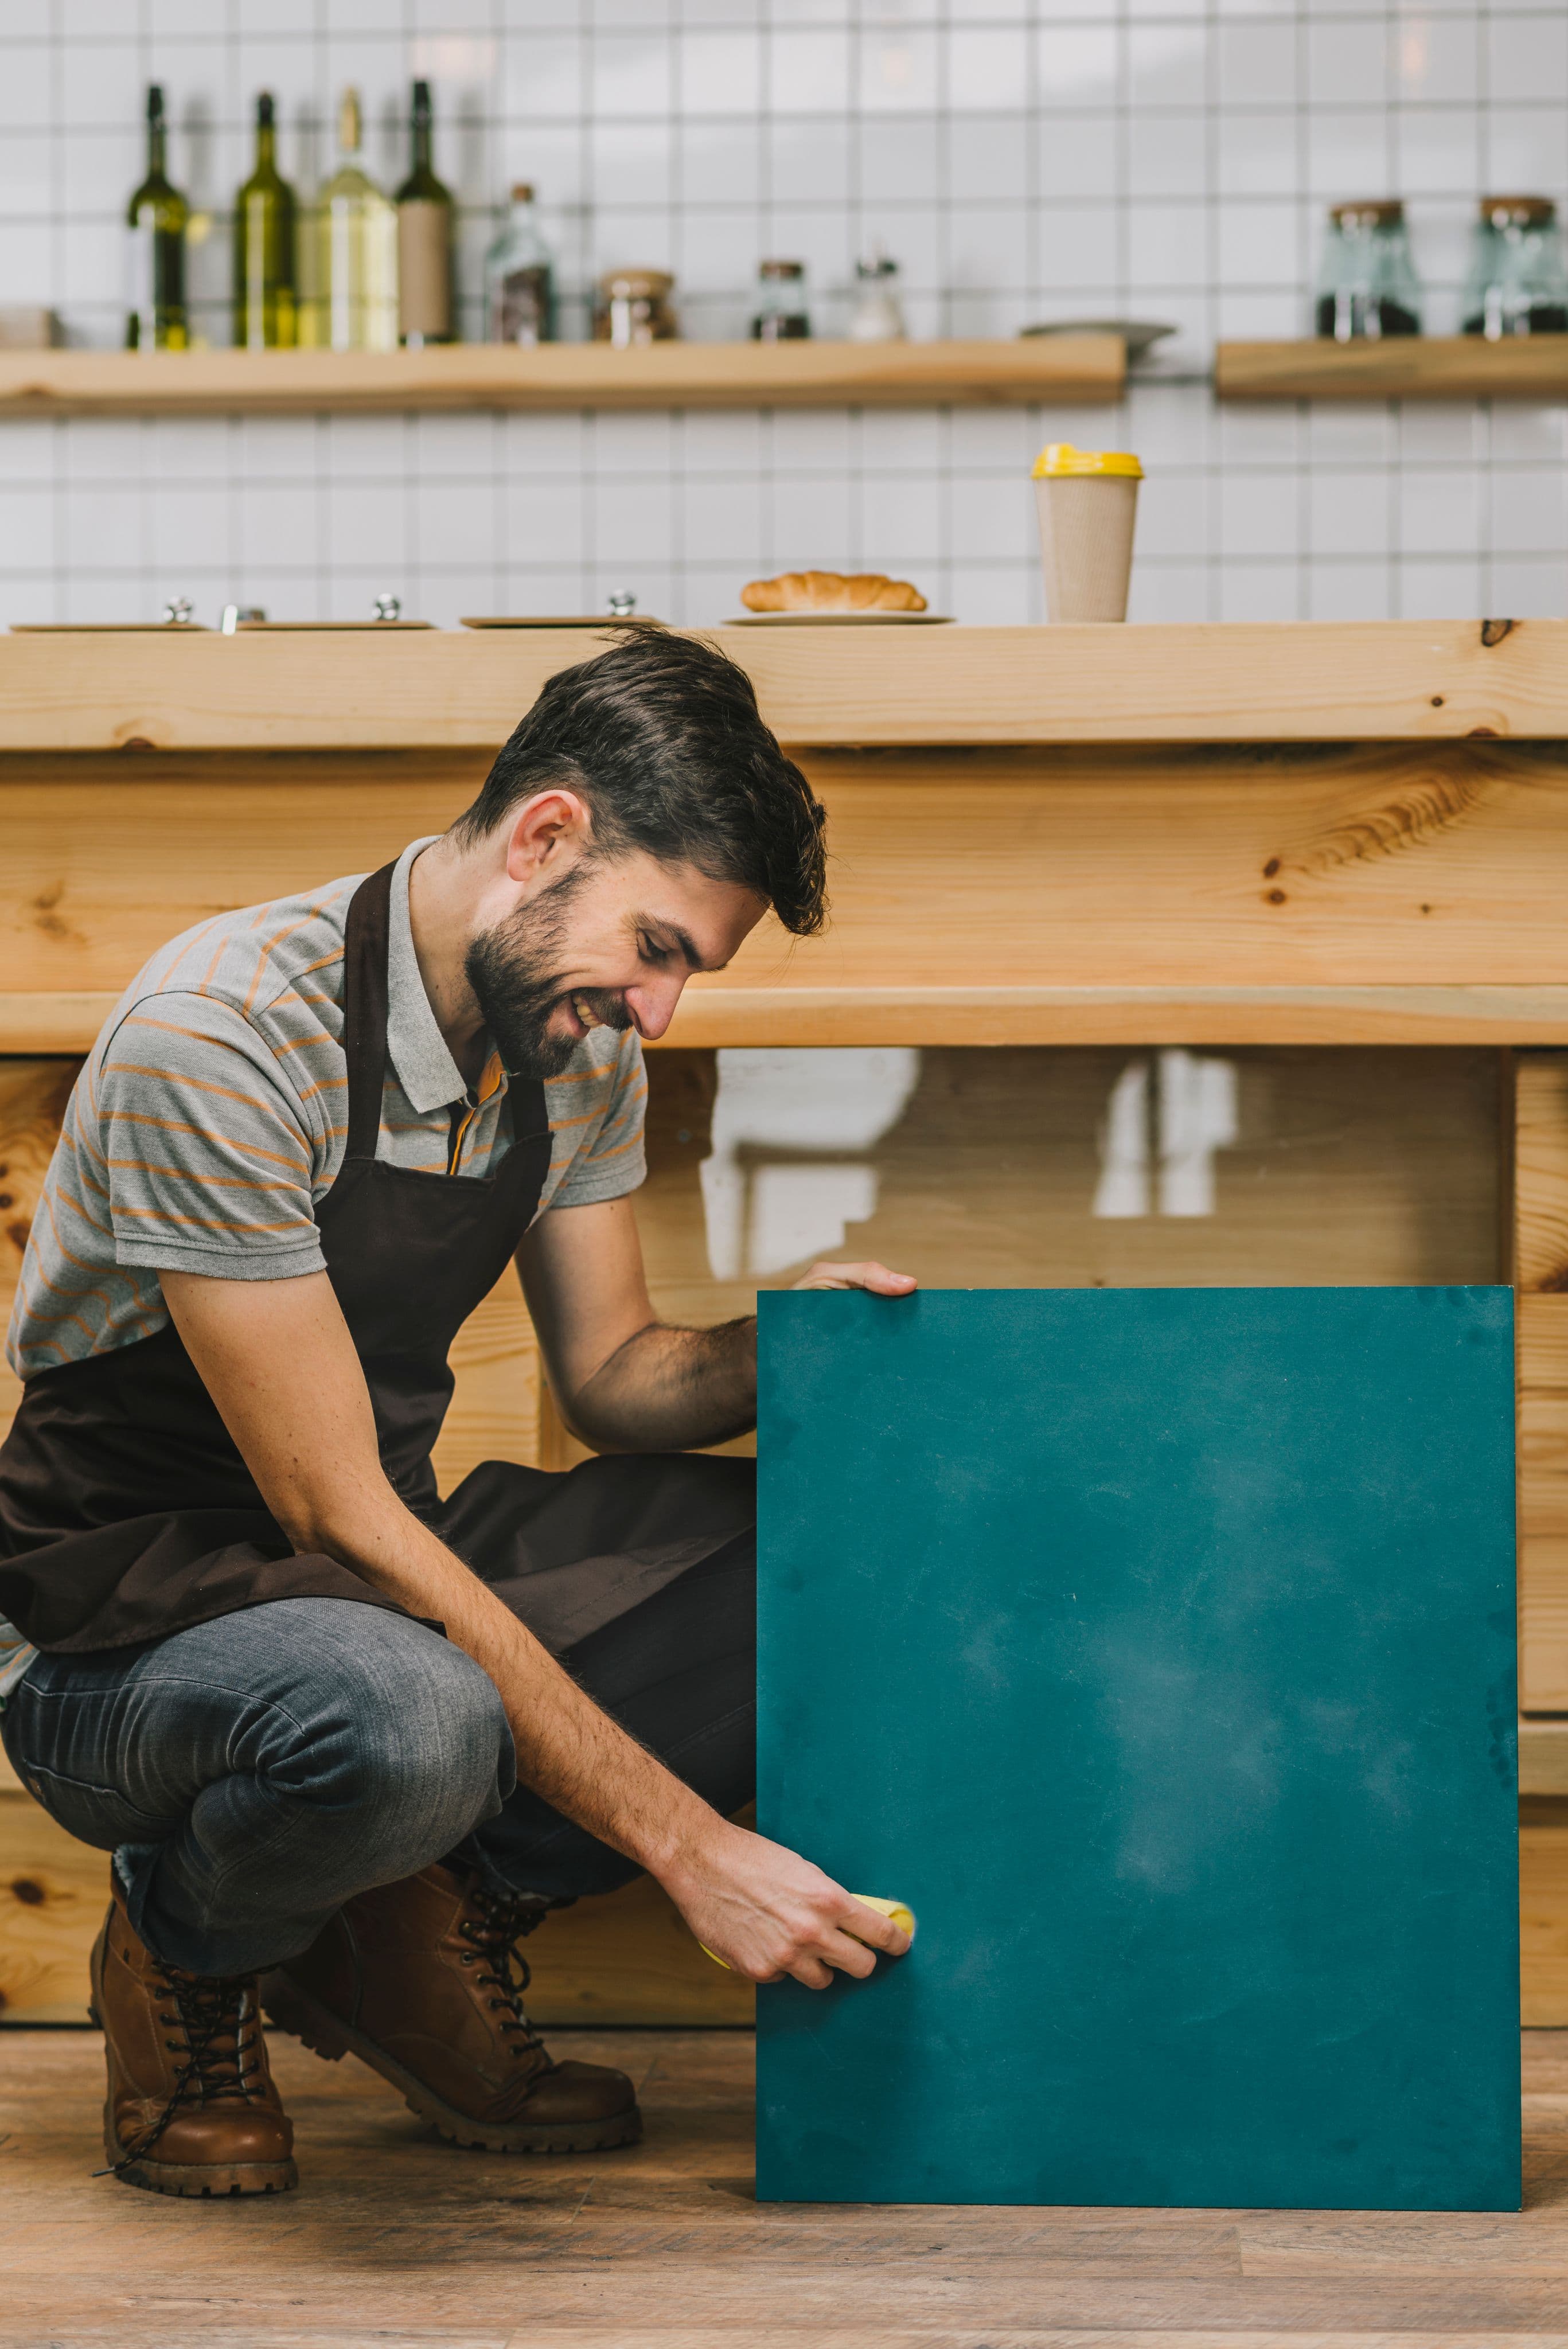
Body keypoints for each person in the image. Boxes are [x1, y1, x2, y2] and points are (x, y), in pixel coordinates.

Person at [0, 629, 915, 2199]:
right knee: (410, 1721)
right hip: (122, 1626)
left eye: (690, 966)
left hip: (365, 1570)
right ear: (545, 837)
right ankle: (185, 1944)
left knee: (849, 1552)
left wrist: (798, 1349)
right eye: (658, 946)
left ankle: (407, 1933)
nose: (664, 1009)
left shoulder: (573, 1043)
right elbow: (331, 1510)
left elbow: (618, 1381)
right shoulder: (225, 1035)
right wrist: (691, 1851)